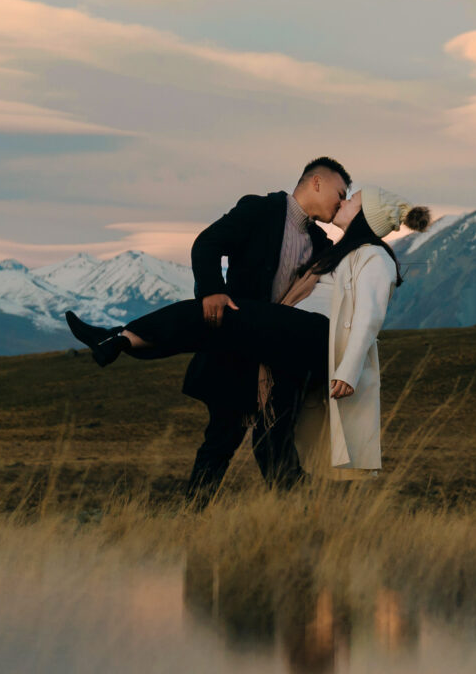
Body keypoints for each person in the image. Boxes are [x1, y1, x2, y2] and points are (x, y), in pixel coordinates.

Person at [64, 157, 349, 497]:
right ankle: (195, 515)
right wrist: (212, 290)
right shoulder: (260, 210)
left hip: (279, 359)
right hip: (234, 349)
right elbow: (207, 243)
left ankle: (119, 338)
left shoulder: (322, 244)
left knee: (277, 444)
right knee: (221, 441)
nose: (342, 202)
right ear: (316, 182)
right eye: (340, 192)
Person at [285, 186, 430, 481]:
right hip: (312, 354)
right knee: (307, 443)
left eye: (353, 200)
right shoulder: (342, 253)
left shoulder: (375, 257)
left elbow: (369, 316)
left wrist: (348, 371)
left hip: (329, 359)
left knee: (326, 453)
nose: (343, 200)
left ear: (366, 215)